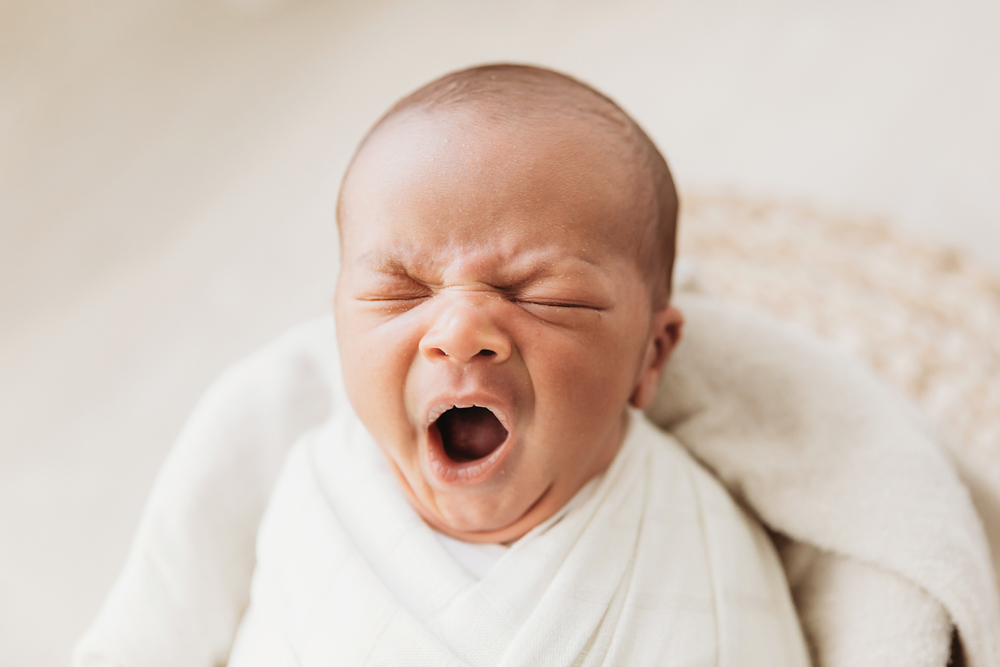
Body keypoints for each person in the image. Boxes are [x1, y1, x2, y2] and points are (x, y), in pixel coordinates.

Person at [79, 64, 1000, 667]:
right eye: (399, 290)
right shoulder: (300, 484)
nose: (461, 331)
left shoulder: (699, 537)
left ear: (653, 356)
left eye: (544, 295)